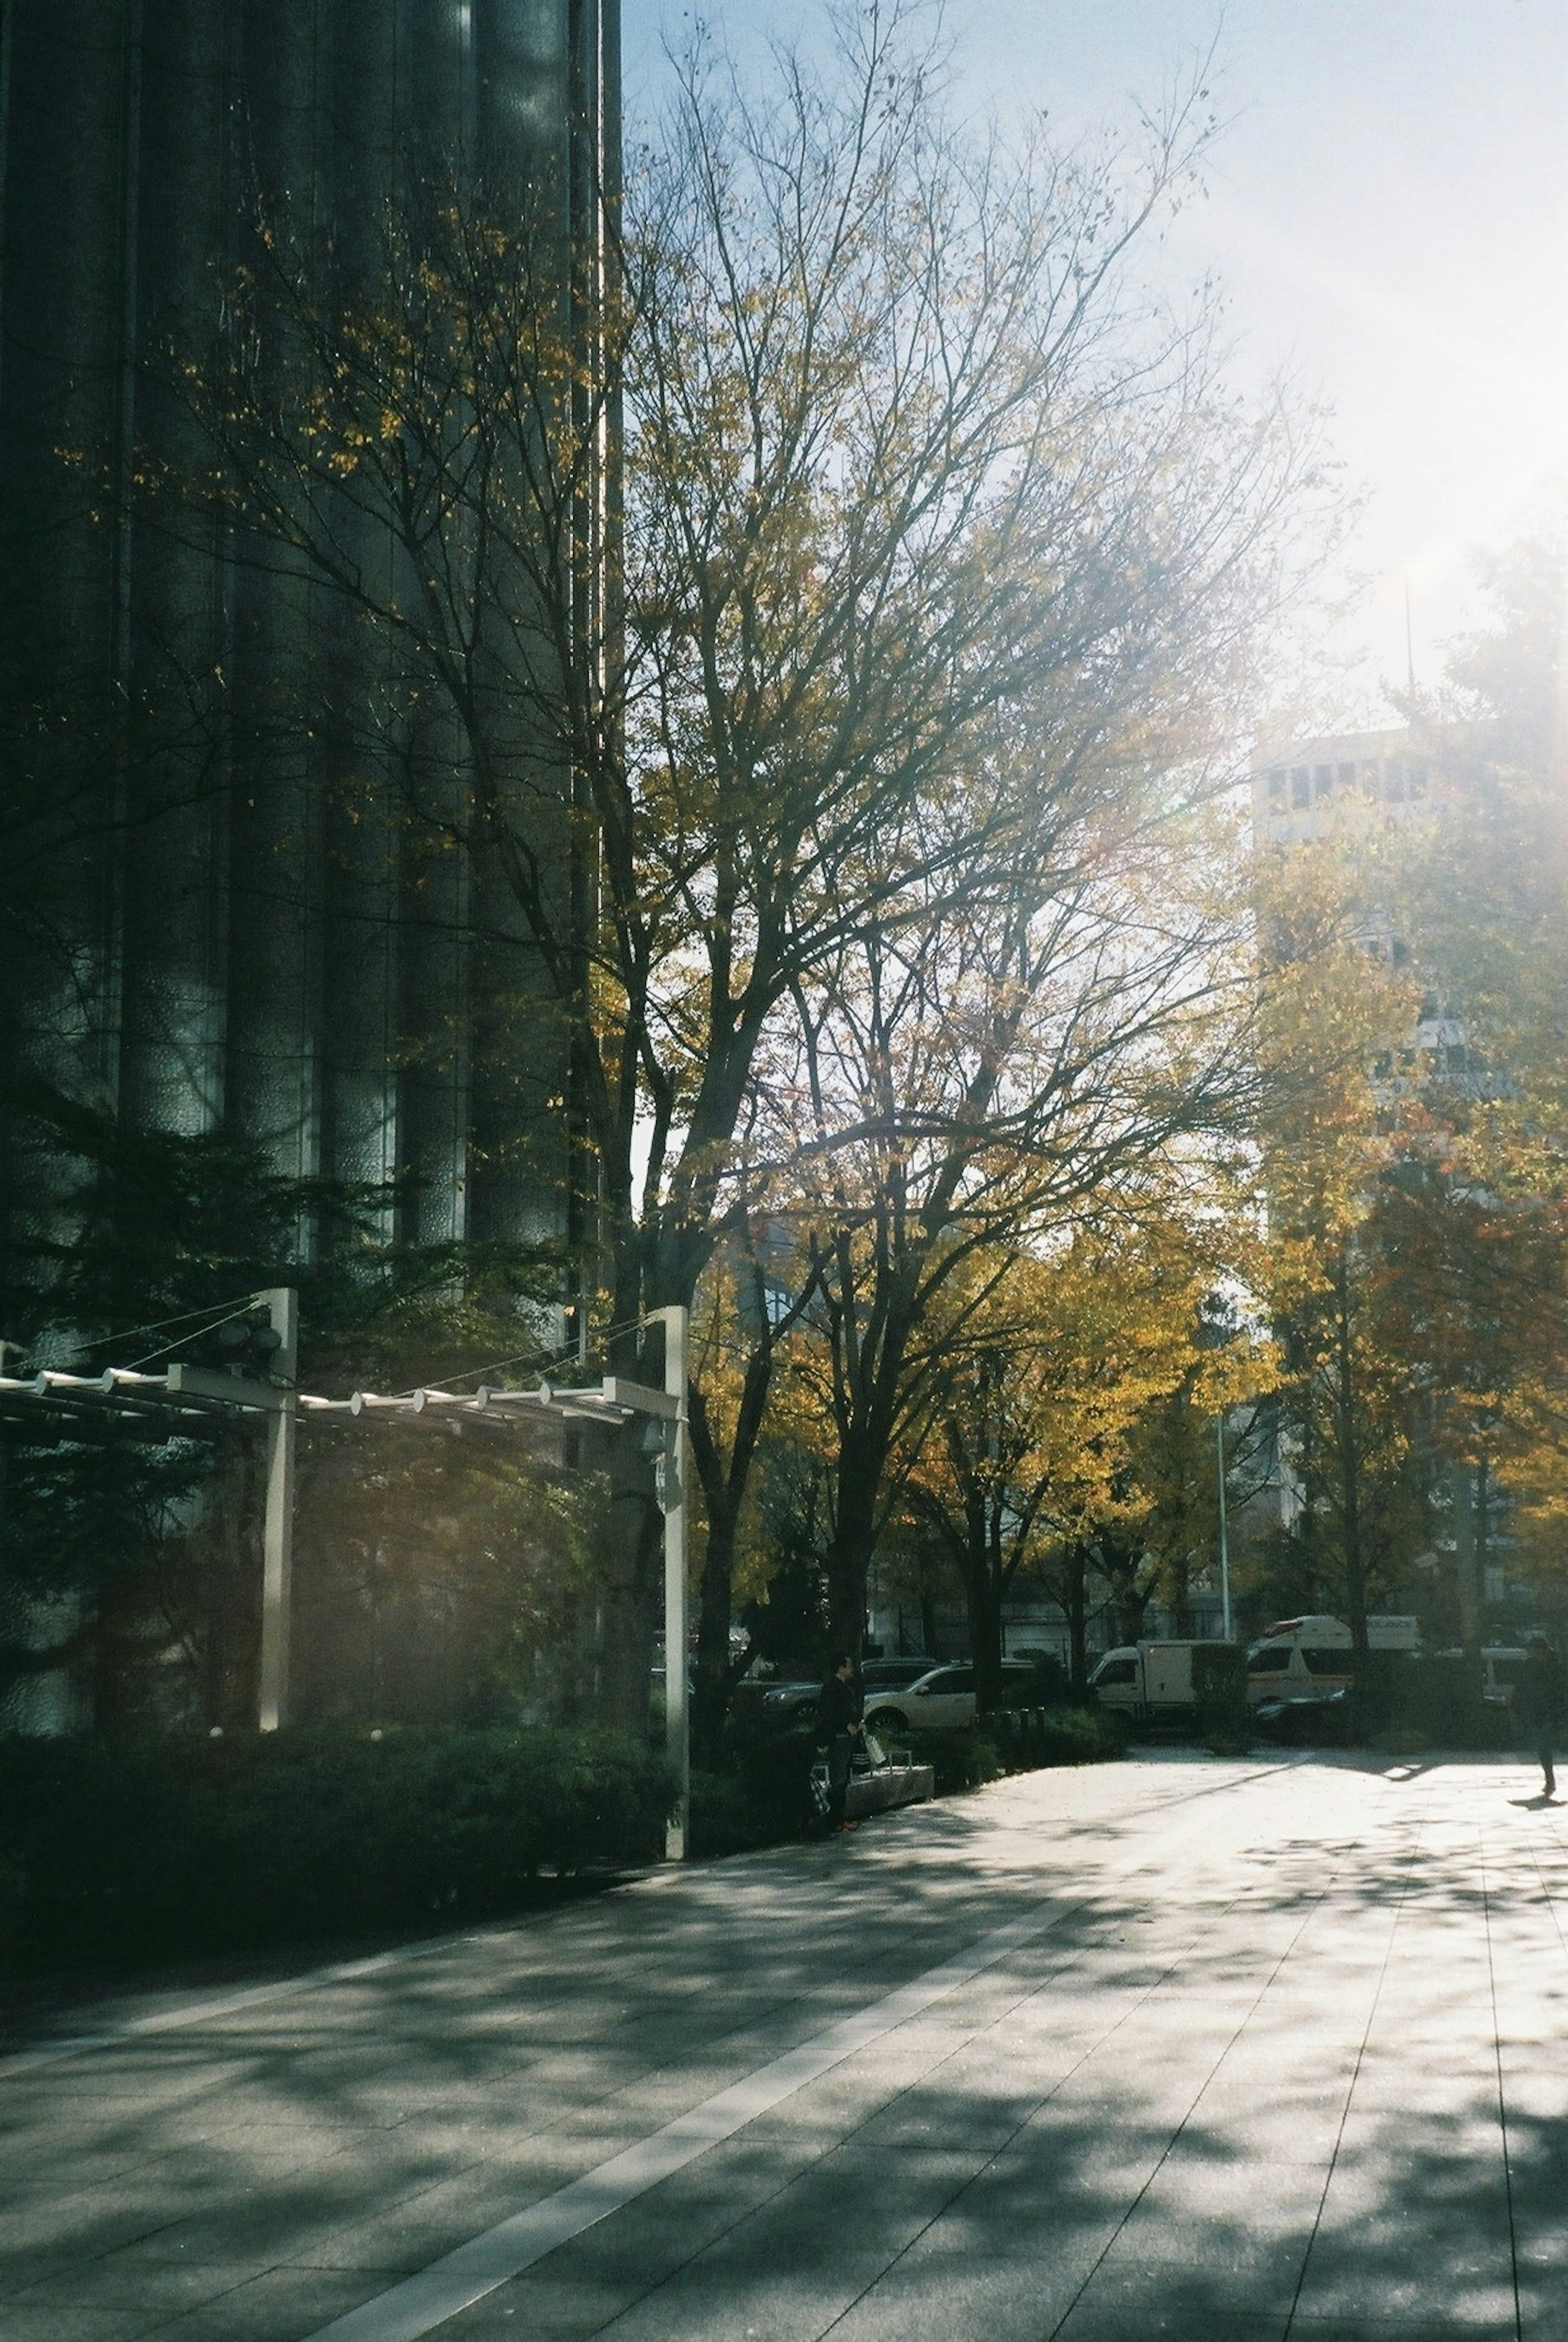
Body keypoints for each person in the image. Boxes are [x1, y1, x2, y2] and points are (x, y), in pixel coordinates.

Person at [814, 1652, 864, 1832]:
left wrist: (858, 1723)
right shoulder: (831, 1688)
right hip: (839, 1737)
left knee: (843, 1778)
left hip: (846, 1736)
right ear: (841, 1668)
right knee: (839, 1778)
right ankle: (835, 1818)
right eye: (849, 1666)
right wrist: (847, 1725)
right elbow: (830, 1714)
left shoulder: (844, 1687)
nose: (852, 1670)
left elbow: (850, 1710)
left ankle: (838, 1818)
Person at [1516, 1629, 1564, 1800]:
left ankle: (1550, 1779)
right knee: (1543, 1747)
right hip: (1536, 1712)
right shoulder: (1528, 1666)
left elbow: (1562, 1690)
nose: (1534, 1655)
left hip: (1552, 1711)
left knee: (1546, 1744)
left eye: (1536, 1651)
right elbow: (1521, 1689)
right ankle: (1549, 1778)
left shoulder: (1556, 1667)